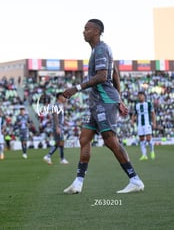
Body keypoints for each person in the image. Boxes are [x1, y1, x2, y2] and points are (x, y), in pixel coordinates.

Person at [62, 19, 144, 194]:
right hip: (97, 101)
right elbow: (114, 72)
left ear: (97, 31)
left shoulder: (100, 49)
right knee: (84, 138)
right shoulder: (98, 50)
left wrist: (75, 89)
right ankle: (78, 183)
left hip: (104, 101)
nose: (83, 31)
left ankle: (135, 179)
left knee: (109, 140)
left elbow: (102, 76)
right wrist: (120, 98)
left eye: (87, 29)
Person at [43, 92, 69, 165]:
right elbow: (55, 116)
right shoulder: (56, 105)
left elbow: (60, 117)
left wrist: (65, 122)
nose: (64, 98)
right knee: (60, 142)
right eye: (63, 97)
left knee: (60, 143)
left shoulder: (61, 105)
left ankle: (55, 157)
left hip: (60, 126)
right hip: (57, 126)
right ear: (59, 97)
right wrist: (57, 127)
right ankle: (51, 156)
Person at [132, 91, 157, 160]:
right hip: (139, 124)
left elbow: (153, 114)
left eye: (140, 95)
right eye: (138, 96)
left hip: (147, 124)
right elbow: (134, 114)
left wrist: (154, 122)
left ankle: (152, 151)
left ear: (144, 96)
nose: (139, 97)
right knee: (141, 139)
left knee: (148, 139)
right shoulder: (136, 105)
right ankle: (144, 155)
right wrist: (132, 121)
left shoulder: (148, 104)